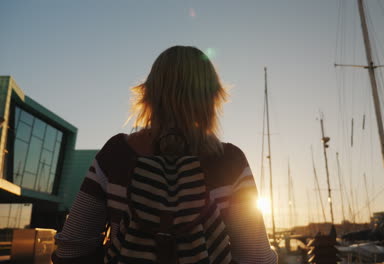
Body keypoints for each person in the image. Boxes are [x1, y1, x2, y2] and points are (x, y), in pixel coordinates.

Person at [52, 46, 277, 264]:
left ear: (149, 92)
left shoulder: (117, 153)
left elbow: (72, 247)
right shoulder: (230, 160)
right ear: (212, 96)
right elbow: (255, 257)